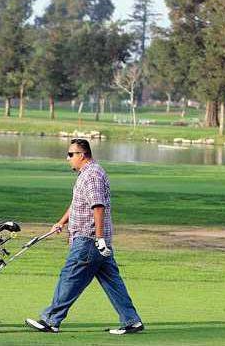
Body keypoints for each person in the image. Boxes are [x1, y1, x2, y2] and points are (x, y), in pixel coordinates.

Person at [25, 138, 144, 335]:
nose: (68, 158)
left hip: (89, 240)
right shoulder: (86, 174)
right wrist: (61, 222)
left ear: (82, 155)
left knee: (70, 277)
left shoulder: (92, 175)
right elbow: (77, 203)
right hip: (94, 241)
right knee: (112, 282)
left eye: (71, 154)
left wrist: (99, 238)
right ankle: (132, 320)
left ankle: (51, 320)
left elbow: (98, 206)